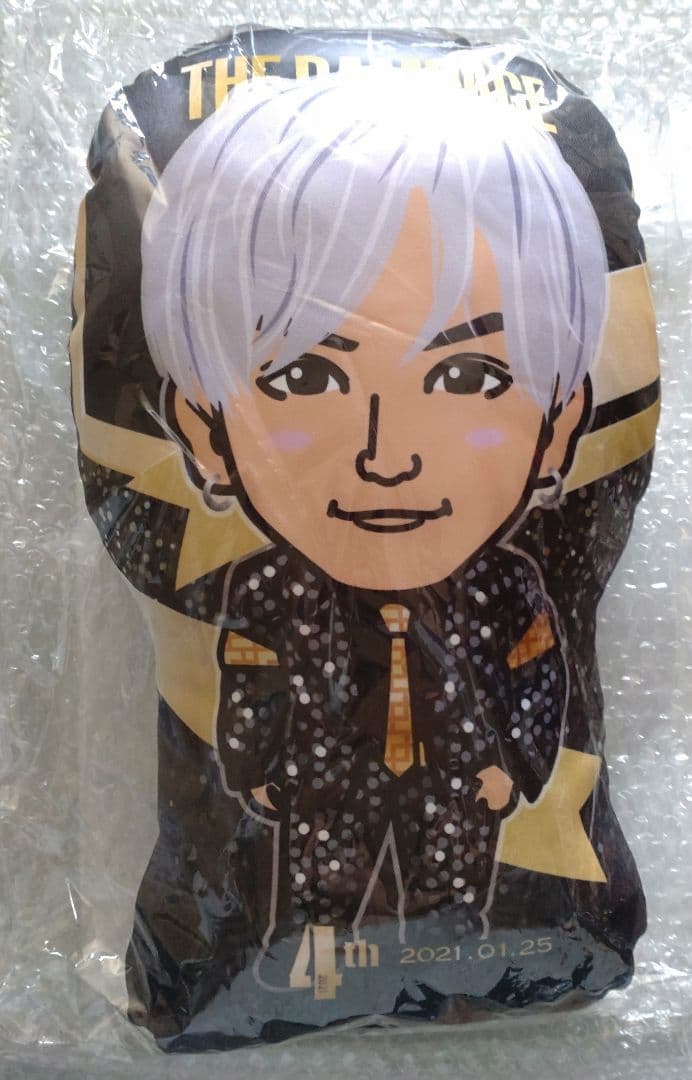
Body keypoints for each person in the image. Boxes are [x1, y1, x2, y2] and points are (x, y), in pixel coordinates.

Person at [138, 71, 607, 985]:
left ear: (558, 428)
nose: (386, 456)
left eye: (465, 378)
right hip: (319, 787)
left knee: (456, 890)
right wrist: (255, 765)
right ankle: (307, 966)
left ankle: (463, 967)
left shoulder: (507, 586)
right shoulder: (269, 587)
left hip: (465, 786)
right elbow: (251, 672)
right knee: (316, 895)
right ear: (204, 432)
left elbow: (537, 675)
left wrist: (516, 770)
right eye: (305, 378)